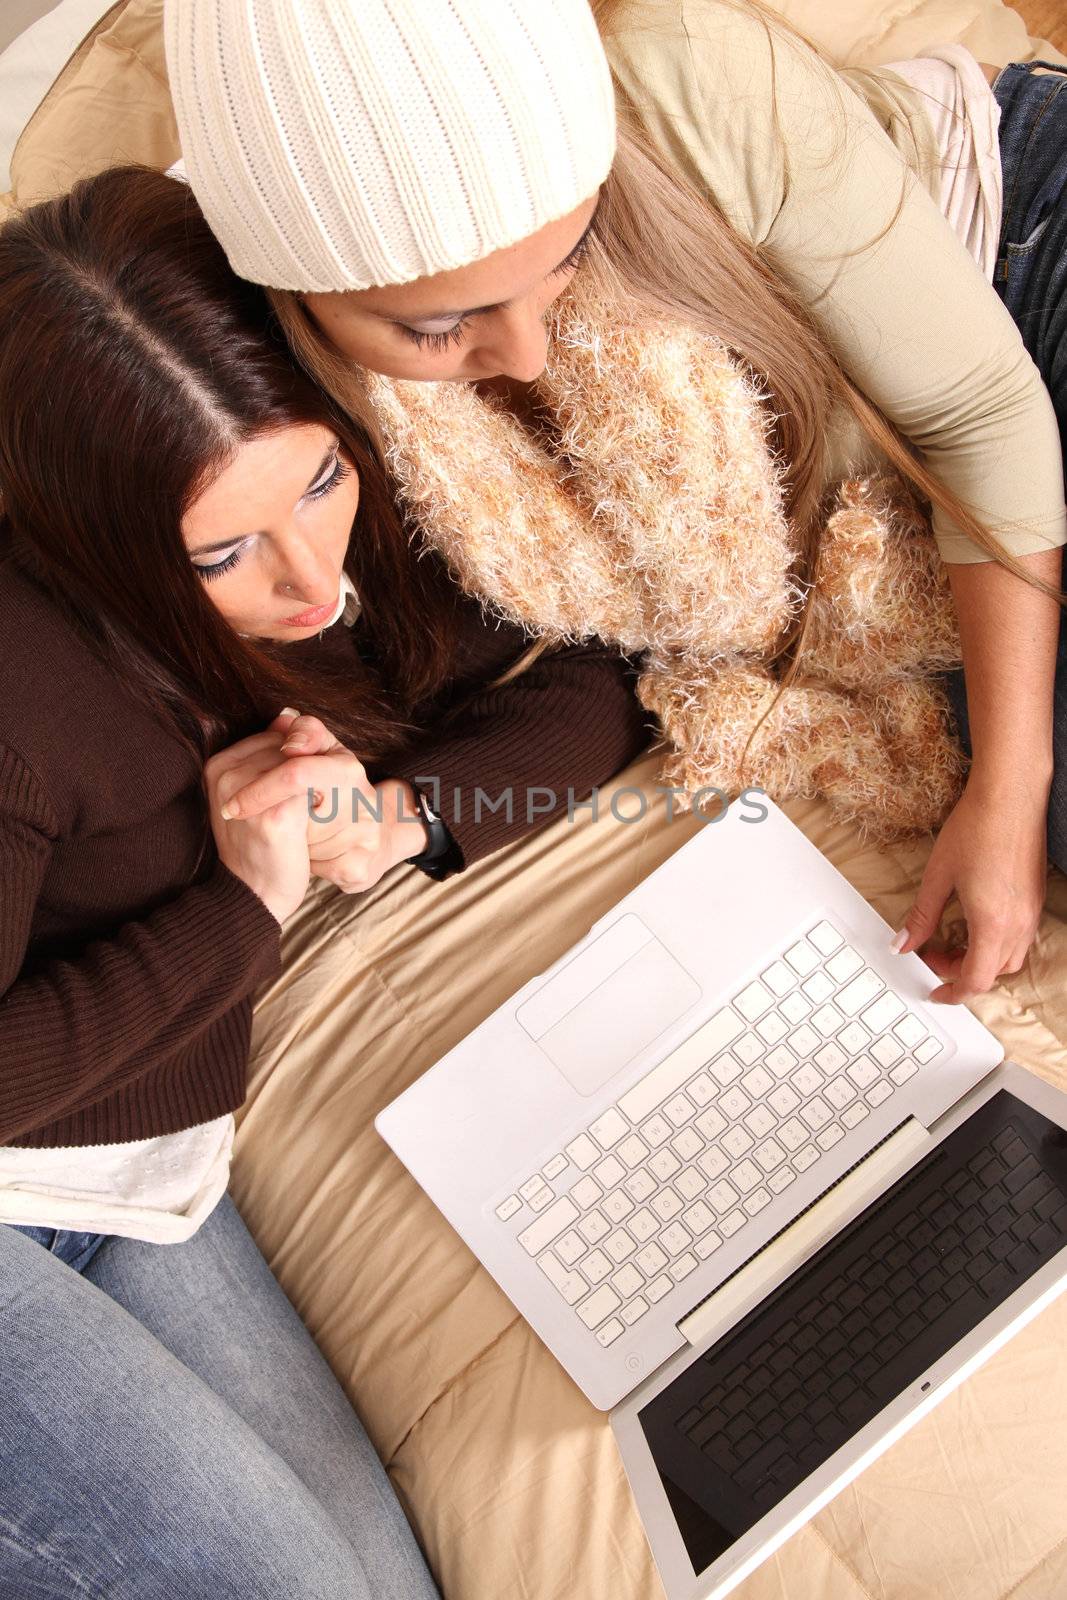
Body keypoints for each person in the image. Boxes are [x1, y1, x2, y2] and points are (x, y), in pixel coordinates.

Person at [0, 164, 650, 1598]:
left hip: (126, 1177)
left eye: (319, 482)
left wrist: (410, 819)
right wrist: (242, 907)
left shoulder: (342, 496)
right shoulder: (24, 683)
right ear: (100, 545)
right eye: (223, 554)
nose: (311, 581)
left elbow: (606, 680)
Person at [164, 0, 1067, 1007]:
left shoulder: (688, 73)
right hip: (878, 530)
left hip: (1013, 251)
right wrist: (388, 817)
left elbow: (977, 415)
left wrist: (1008, 786)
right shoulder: (246, 379)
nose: (526, 356)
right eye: (439, 326)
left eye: (566, 257)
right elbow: (586, 670)